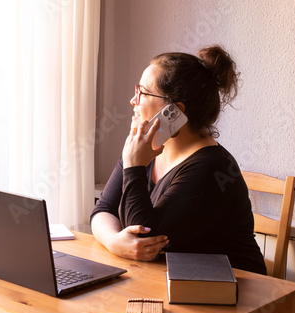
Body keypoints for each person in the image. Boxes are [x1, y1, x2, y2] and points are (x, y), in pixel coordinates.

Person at [90, 45, 267, 275]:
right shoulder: (145, 148)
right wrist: (114, 241)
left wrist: (134, 165)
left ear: (174, 111)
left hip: (235, 295)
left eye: (143, 92)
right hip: (178, 284)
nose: (133, 100)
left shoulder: (212, 168)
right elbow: (103, 209)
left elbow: (147, 238)